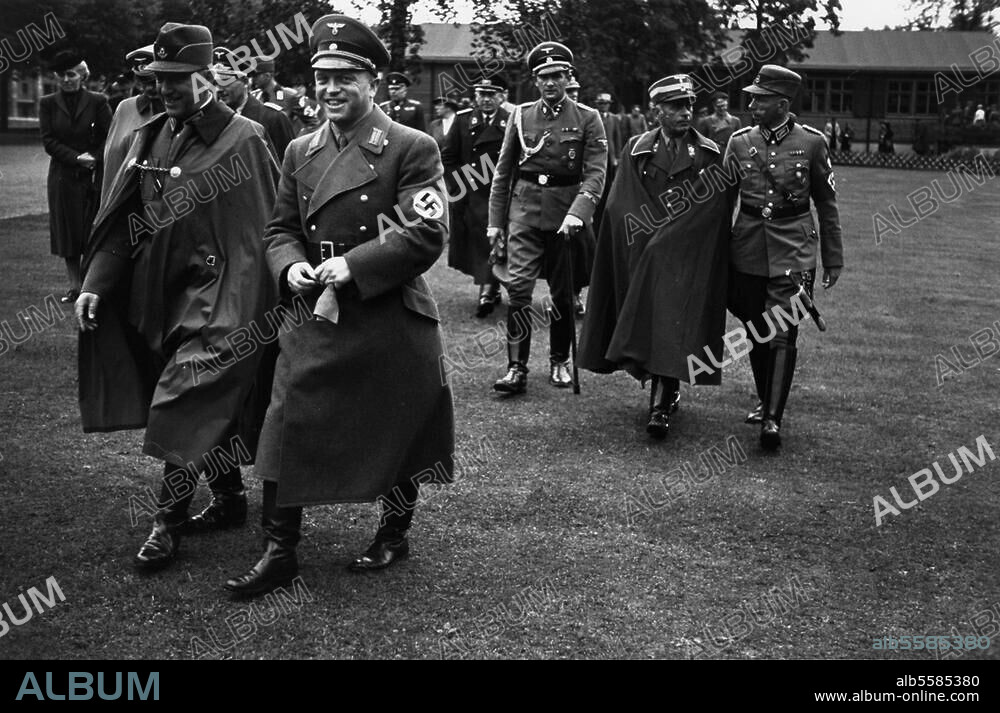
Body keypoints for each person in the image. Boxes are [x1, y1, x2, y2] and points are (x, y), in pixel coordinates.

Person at [224, 14, 454, 597]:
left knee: (398, 427)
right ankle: (280, 551)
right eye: (322, 77)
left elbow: (426, 233)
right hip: (314, 312)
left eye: (344, 77)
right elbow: (278, 230)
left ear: (371, 82)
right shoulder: (300, 148)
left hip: (387, 313)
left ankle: (394, 532)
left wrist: (354, 265)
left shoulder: (411, 146)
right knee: (285, 421)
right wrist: (290, 264)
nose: (329, 89)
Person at [74, 22, 280, 571]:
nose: (163, 90)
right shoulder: (153, 135)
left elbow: (261, 236)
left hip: (219, 301)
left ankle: (166, 522)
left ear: (206, 77)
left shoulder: (246, 139)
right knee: (201, 403)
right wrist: (96, 284)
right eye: (156, 78)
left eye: (176, 80)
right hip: (157, 299)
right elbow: (123, 219)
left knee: (184, 397)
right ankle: (231, 498)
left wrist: (240, 311)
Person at [579, 74, 732, 439]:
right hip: (643, 250)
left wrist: (670, 240)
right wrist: (648, 239)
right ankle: (666, 388)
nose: (685, 112)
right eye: (676, 106)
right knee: (652, 320)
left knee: (670, 319)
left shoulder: (709, 153)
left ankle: (660, 404)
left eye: (689, 105)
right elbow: (620, 203)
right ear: (657, 111)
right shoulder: (637, 149)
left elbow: (713, 207)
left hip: (685, 255)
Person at [725, 65, 843, 450]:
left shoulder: (811, 143)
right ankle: (765, 400)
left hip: (795, 249)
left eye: (760, 98)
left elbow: (826, 204)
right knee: (756, 329)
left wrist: (833, 258)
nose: (752, 103)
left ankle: (772, 418)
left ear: (782, 103)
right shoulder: (739, 143)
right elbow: (722, 202)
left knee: (782, 331)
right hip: (746, 248)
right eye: (752, 97)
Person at [487, 41, 607, 394]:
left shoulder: (587, 117)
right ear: (535, 80)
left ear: (569, 77)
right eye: (543, 77)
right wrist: (495, 222)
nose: (551, 83)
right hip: (523, 213)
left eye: (557, 75)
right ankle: (516, 368)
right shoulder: (521, 115)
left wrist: (578, 214)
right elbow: (503, 172)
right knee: (519, 288)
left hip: (565, 217)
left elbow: (596, 173)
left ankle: (558, 360)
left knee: (564, 294)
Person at [40, 50, 112, 304]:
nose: (66, 80)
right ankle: (75, 286)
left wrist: (93, 156)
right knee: (67, 230)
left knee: (91, 229)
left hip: (92, 175)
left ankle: (92, 285)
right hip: (62, 176)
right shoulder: (47, 103)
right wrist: (75, 157)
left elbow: (110, 136)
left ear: (80, 75)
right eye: (61, 75)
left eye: (71, 74)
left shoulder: (97, 101)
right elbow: (49, 140)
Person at [445, 75, 510, 318]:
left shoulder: (512, 121)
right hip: (470, 194)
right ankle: (489, 288)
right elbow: (449, 156)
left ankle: (488, 290)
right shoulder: (462, 121)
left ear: (502, 97)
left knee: (495, 241)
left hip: (499, 195)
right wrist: (459, 183)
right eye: (482, 94)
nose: (486, 99)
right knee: (478, 243)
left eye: (492, 94)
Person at [101, 44, 162, 206]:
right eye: (143, 82)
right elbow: (112, 163)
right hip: (130, 202)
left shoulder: (181, 109)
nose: (149, 89)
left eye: (154, 81)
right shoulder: (126, 108)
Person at [213, 48, 295, 160]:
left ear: (245, 82)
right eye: (215, 83)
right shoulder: (214, 119)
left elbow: (290, 166)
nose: (218, 89)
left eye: (225, 82)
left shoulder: (273, 118)